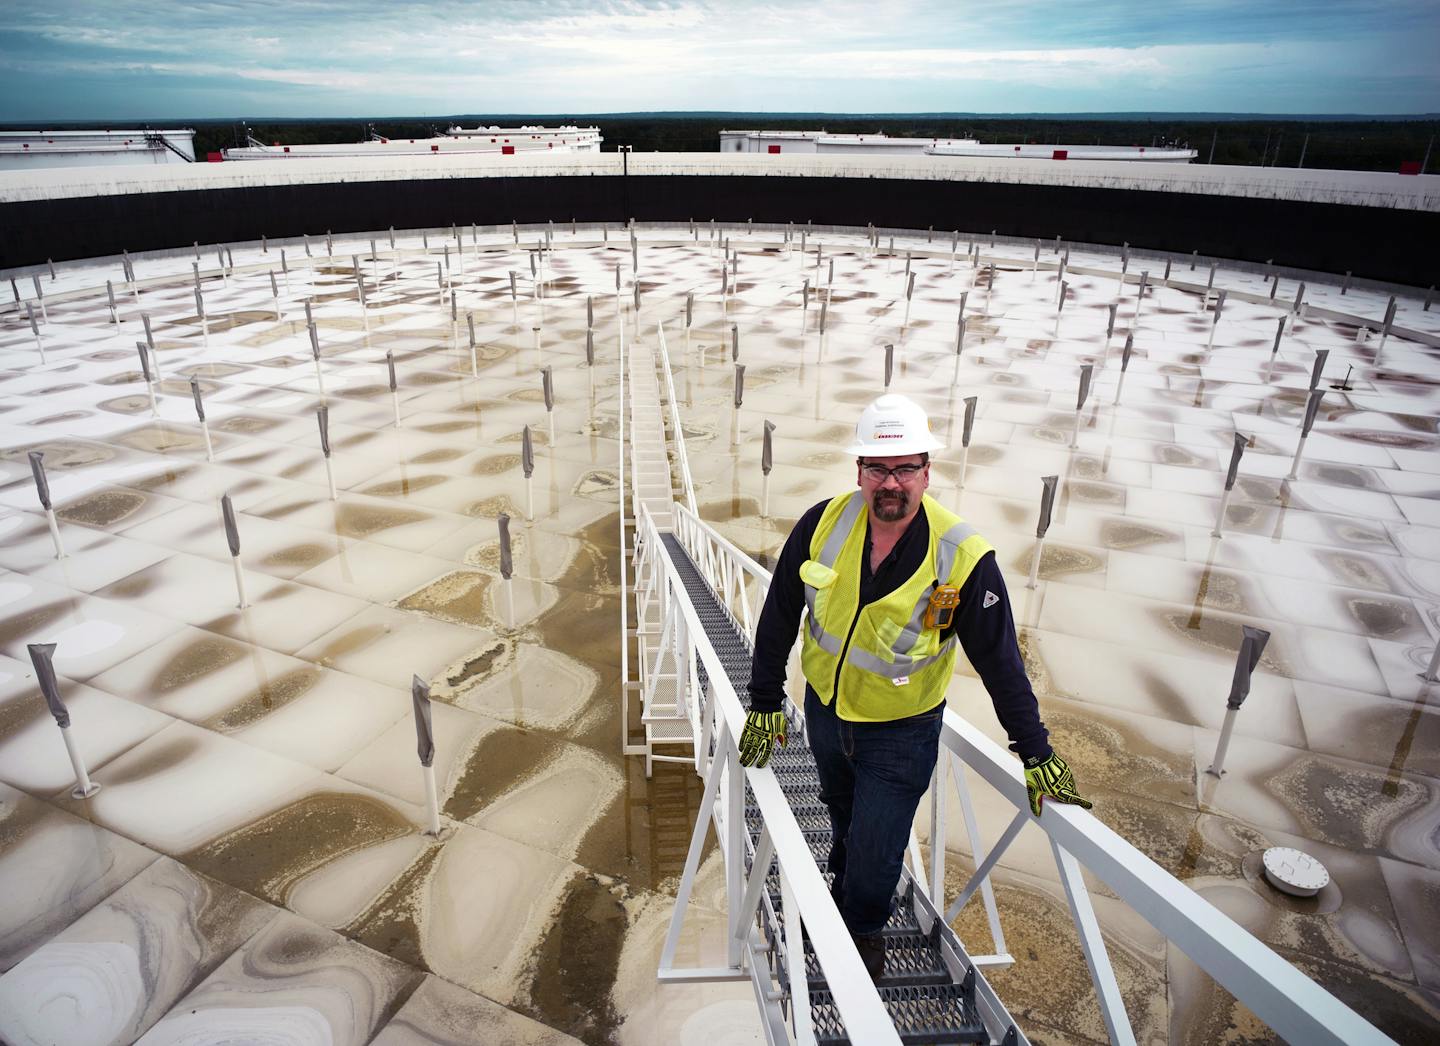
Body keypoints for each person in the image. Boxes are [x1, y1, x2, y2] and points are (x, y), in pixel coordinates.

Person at [738, 393, 1090, 979]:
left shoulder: (962, 557)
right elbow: (778, 616)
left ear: (927, 472)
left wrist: (1036, 752)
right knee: (841, 815)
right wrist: (765, 703)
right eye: (877, 468)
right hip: (824, 713)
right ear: (859, 472)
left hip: (901, 734)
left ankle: (861, 934)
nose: (890, 482)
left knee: (878, 850)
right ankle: (843, 888)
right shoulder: (823, 523)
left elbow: (1001, 662)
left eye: (905, 468)